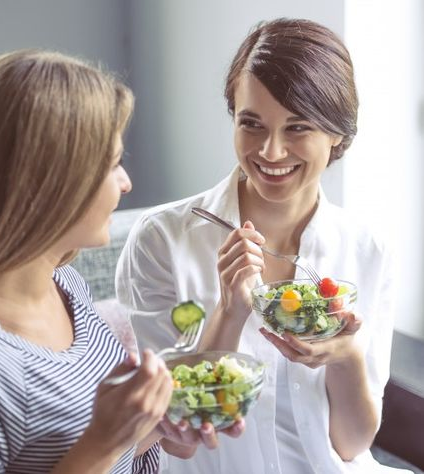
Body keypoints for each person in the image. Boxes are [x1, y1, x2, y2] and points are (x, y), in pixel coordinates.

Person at [116, 18, 410, 474]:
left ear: (337, 135)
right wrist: (228, 313)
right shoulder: (161, 241)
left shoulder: (367, 250)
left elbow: (351, 446)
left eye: (298, 128)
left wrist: (347, 356)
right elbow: (177, 438)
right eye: (251, 123)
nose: (271, 152)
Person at [0, 50, 179, 474]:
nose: (125, 183)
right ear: (50, 183)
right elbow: (94, 451)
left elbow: (92, 453)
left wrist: (157, 427)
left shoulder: (65, 285)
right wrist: (102, 442)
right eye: (112, 164)